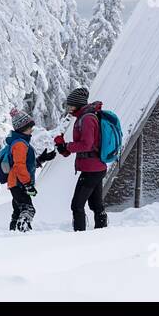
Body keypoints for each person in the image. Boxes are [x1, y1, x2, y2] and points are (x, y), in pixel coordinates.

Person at [53, 87, 108, 231]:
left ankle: (80, 236)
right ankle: (102, 232)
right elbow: (85, 145)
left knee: (77, 204)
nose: (68, 108)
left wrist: (67, 146)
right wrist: (65, 148)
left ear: (78, 104)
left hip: (92, 168)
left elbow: (87, 144)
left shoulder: (87, 119)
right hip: (95, 167)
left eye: (70, 105)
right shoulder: (83, 117)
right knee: (96, 204)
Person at [3, 109, 55, 232]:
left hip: (17, 182)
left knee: (18, 210)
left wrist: (41, 159)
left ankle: (13, 234)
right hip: (19, 183)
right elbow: (19, 166)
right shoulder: (20, 144)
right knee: (28, 209)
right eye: (29, 127)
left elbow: (26, 164)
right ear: (22, 128)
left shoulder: (21, 143)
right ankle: (23, 233)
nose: (32, 129)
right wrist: (27, 184)